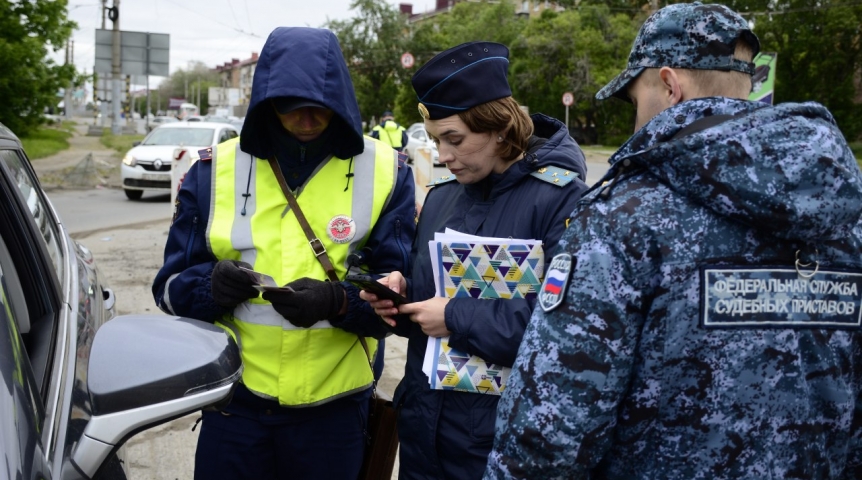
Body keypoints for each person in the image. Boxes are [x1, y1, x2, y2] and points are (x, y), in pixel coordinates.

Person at [484, 3, 862, 479]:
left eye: (636, 100)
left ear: (668, 85)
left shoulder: (624, 215)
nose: (636, 120)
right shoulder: (846, 216)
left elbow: (552, 428)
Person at [151, 26, 416, 479]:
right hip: (234, 409)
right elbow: (169, 291)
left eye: (320, 107)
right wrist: (209, 288)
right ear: (266, 102)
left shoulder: (388, 171)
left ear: (341, 100)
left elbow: (399, 302)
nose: (308, 119)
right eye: (291, 107)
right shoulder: (214, 171)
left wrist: (338, 303)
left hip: (334, 416)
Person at [361, 41, 589, 479]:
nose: (443, 156)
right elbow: (429, 307)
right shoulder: (442, 199)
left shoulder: (561, 200)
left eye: (455, 139)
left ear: (500, 128)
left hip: (504, 444)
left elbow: (568, 328)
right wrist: (400, 296)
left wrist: (456, 315)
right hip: (423, 437)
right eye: (435, 141)